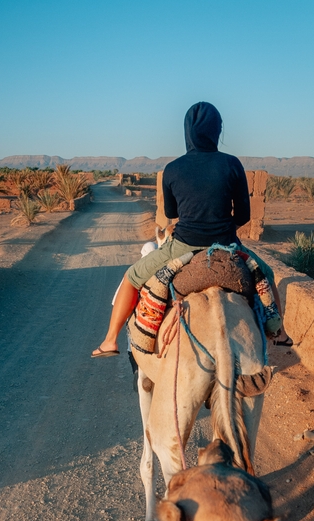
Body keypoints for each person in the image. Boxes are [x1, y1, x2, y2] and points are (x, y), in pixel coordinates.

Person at [91, 101, 291, 358]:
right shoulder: (232, 164)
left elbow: (172, 214)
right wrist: (222, 230)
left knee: (131, 277)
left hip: (183, 245)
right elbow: (244, 215)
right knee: (268, 275)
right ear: (217, 130)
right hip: (228, 244)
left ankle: (110, 341)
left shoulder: (172, 169)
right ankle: (280, 332)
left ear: (187, 132)